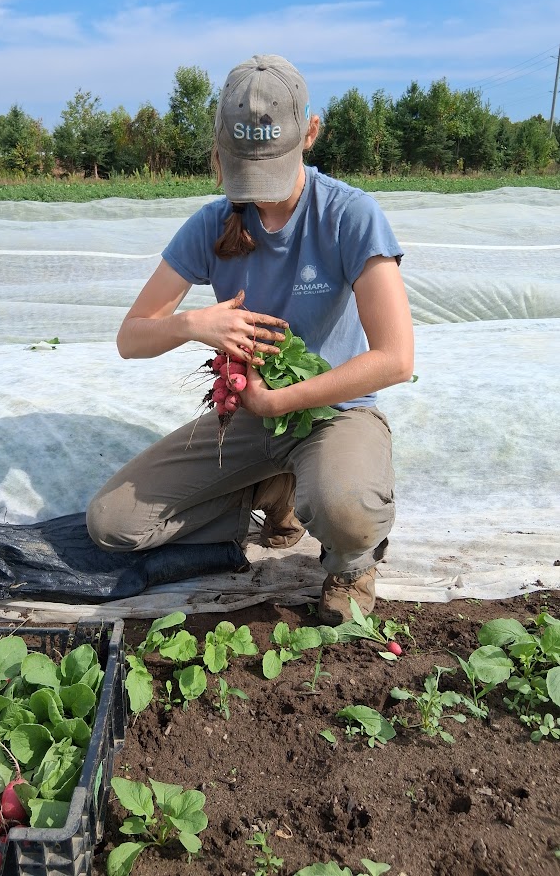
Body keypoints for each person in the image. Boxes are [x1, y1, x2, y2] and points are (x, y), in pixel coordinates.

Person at [87, 54, 414, 624]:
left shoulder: (349, 216)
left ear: (310, 133)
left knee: (346, 506)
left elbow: (396, 358)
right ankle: (271, 495)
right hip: (250, 416)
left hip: (333, 412)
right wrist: (193, 325)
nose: (259, 193)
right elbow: (130, 338)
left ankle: (351, 563)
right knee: (113, 524)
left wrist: (280, 400)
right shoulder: (212, 225)